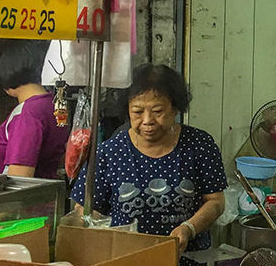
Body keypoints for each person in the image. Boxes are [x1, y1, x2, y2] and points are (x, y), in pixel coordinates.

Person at [70, 65, 227, 253]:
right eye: (137, 112)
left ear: (175, 108)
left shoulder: (199, 145)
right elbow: (82, 208)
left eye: (157, 111)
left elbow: (215, 202)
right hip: (126, 258)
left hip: (189, 258)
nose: (147, 121)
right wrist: (106, 230)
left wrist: (189, 228)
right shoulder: (110, 152)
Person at [0, 42, 68, 179]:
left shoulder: (28, 113)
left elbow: (19, 176)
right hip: (47, 193)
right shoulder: (54, 104)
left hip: (18, 198)